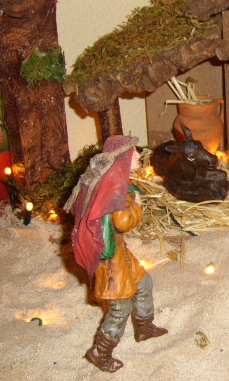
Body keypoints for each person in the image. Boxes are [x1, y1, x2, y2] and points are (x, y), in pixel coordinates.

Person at [65, 136, 167, 372]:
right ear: (123, 158)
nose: (138, 156)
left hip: (120, 252)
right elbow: (123, 222)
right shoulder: (116, 187)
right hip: (109, 260)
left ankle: (144, 327)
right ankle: (100, 353)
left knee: (144, 283)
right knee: (120, 307)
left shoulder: (113, 179)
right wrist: (137, 204)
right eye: (134, 153)